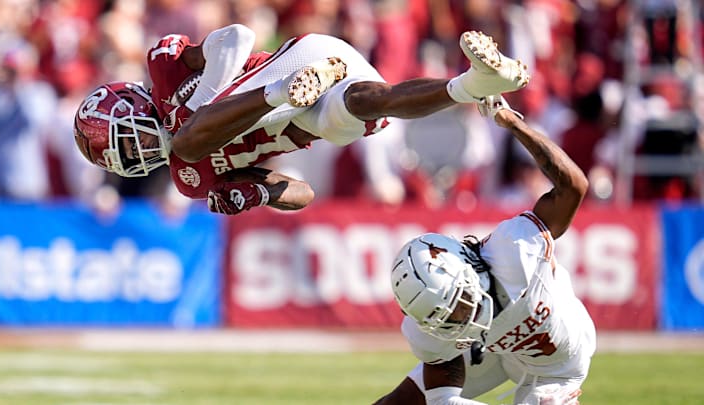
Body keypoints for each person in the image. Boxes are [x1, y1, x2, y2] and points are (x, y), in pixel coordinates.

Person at [73, 25, 530, 215]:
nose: (141, 153)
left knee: (190, 139)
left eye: (129, 142)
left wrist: (203, 107)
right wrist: (259, 193)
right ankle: (474, 84)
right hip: (310, 117)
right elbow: (303, 193)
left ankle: (278, 93)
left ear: (129, 107)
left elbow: (238, 35)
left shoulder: (164, 67)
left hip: (295, 65)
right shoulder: (190, 178)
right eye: (129, 159)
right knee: (373, 102)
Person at [375, 96, 595, 405]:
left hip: (557, 364)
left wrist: (513, 124)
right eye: (445, 318)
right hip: (491, 349)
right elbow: (441, 397)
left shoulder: (515, 252)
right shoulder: (431, 326)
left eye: (459, 305)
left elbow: (573, 186)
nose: (459, 319)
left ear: (470, 268)